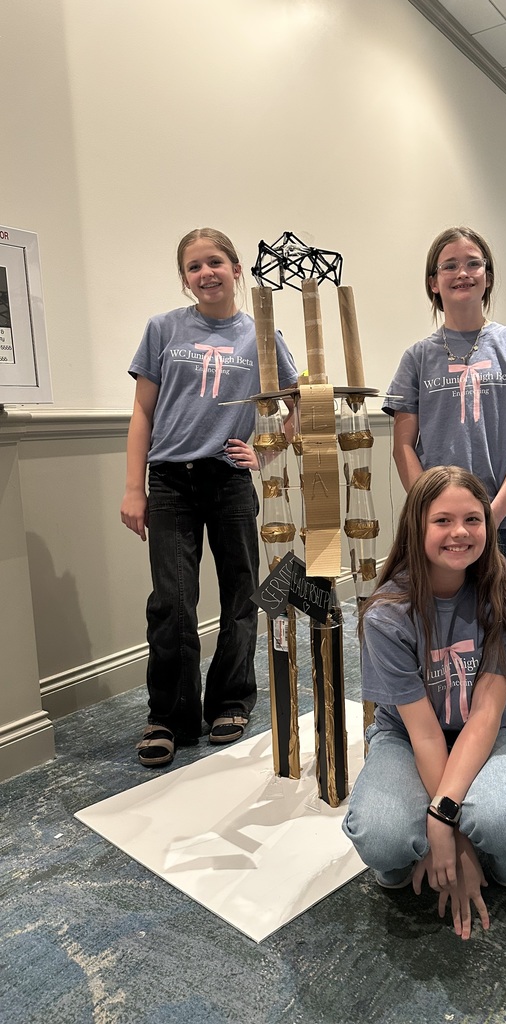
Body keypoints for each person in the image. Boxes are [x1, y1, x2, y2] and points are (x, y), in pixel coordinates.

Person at [383, 226, 506, 786]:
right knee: (436, 624)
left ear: (487, 276)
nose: (461, 272)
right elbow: (402, 443)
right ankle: (434, 729)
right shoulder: (418, 358)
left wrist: (489, 515)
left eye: (473, 263)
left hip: (499, 520)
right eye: (448, 265)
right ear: (433, 282)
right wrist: (429, 516)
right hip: (436, 528)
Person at [342, 466, 506, 940]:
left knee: (505, 822)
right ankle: (416, 851)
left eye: (473, 519)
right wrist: (451, 836)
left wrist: (450, 831)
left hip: (485, 733)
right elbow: (425, 732)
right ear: (417, 526)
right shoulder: (387, 614)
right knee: (381, 837)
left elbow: (485, 716)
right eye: (443, 521)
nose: (460, 532)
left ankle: (497, 853)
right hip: (410, 735)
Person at [120, 227, 297, 768]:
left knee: (243, 593)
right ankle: (170, 716)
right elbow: (143, 412)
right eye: (194, 267)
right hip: (171, 481)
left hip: (228, 481)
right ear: (185, 278)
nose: (206, 273)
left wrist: (263, 455)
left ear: (237, 269)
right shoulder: (163, 330)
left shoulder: (261, 335)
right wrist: (134, 487)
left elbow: (298, 405)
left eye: (215, 262)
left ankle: (231, 698)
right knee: (172, 602)